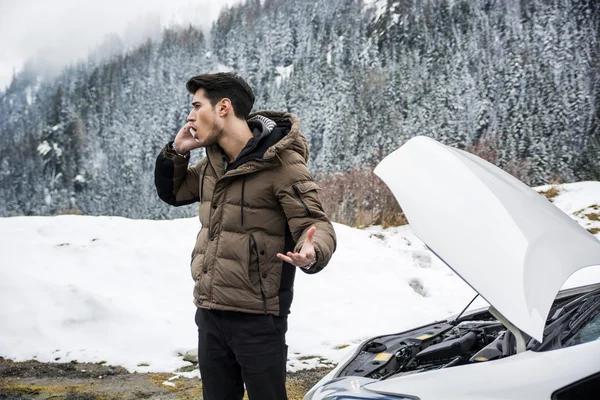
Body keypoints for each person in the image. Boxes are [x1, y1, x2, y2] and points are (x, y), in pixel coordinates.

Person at [154, 72, 336, 400]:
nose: (190, 116)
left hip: (258, 319)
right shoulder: (213, 164)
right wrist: (177, 152)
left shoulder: (282, 165)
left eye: (197, 106)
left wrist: (312, 251)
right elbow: (174, 191)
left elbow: (317, 225)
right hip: (210, 312)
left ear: (223, 107)